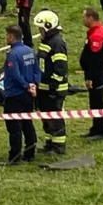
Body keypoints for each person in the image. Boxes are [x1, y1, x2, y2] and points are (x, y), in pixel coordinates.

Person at [0, 25, 40, 166]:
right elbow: (37, 70)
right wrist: (33, 85)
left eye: (6, 35)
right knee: (27, 124)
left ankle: (14, 156)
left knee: (14, 127)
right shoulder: (29, 50)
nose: (5, 38)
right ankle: (30, 153)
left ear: (11, 37)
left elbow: (15, 75)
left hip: (14, 94)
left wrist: (26, 85)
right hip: (28, 95)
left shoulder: (12, 54)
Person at [34, 9, 68, 155]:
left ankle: (59, 146)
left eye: (41, 28)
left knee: (55, 118)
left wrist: (53, 85)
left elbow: (60, 67)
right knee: (46, 117)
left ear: (48, 26)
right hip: (44, 87)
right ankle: (49, 143)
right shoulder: (47, 42)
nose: (39, 31)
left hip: (54, 89)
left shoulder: (57, 43)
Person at [79, 8, 103, 141]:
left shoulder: (96, 35)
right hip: (98, 73)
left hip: (97, 75)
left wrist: (89, 77)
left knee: (98, 103)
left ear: (90, 18)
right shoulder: (97, 31)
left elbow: (95, 59)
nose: (82, 20)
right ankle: (95, 128)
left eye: (84, 17)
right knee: (94, 102)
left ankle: (101, 131)